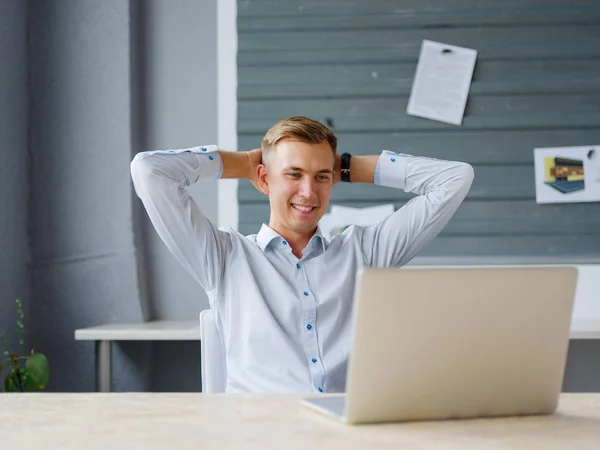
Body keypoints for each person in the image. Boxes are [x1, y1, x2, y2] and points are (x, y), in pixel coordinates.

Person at [130, 116, 474, 393]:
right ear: (264, 179)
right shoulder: (224, 256)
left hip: (345, 436)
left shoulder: (364, 252)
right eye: (293, 174)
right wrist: (242, 164)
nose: (308, 192)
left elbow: (455, 178)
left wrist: (350, 167)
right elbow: (149, 171)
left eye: (321, 177)